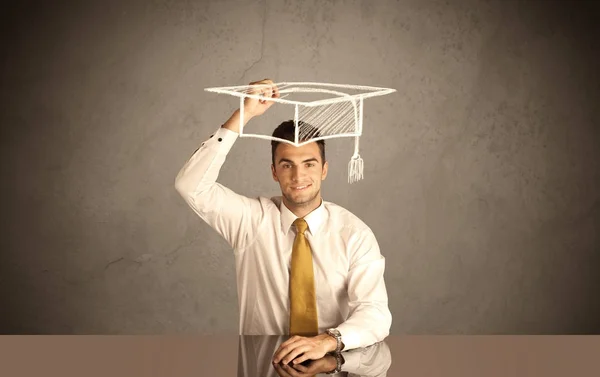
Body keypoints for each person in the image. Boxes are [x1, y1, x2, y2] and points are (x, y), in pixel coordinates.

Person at [174, 79, 392, 367]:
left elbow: (375, 312)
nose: (298, 176)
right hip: (264, 367)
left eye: (309, 164)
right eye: (287, 164)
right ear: (274, 172)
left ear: (324, 169)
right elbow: (191, 186)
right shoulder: (250, 221)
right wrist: (244, 114)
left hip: (333, 367)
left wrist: (327, 341)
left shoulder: (354, 234)